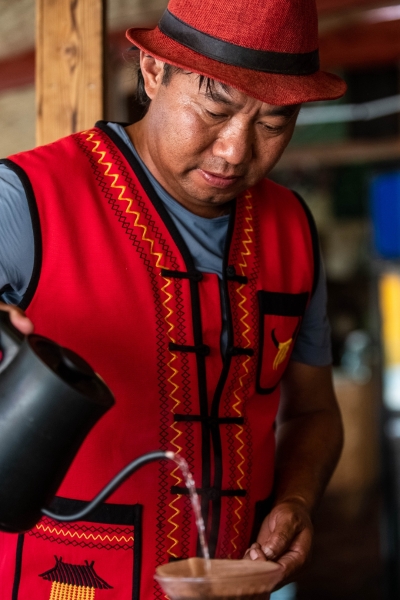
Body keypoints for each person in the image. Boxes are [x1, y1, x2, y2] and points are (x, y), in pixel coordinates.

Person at [0, 0, 346, 598]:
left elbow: (313, 412)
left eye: (273, 124)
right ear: (154, 70)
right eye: (215, 110)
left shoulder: (291, 230)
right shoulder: (25, 200)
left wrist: (297, 498)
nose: (236, 150)